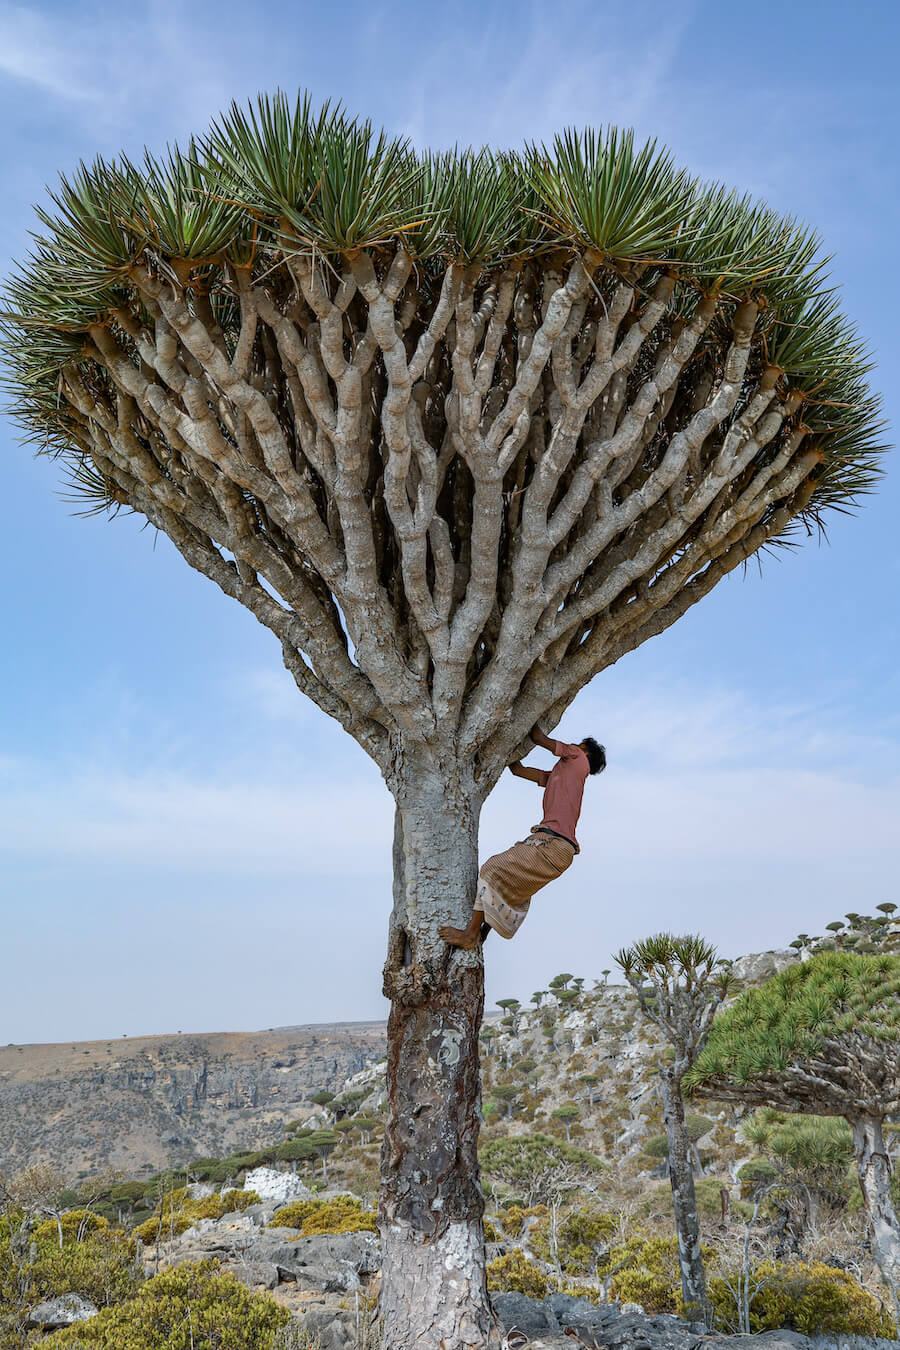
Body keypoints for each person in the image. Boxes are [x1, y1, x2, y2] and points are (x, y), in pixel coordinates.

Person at [440, 724, 606, 949]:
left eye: (578, 745)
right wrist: (504, 751)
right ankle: (482, 931)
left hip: (551, 845)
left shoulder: (577, 756)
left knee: (492, 869)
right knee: (513, 888)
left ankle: (470, 935)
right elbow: (518, 770)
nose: (573, 746)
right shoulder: (562, 777)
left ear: (584, 750)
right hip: (560, 854)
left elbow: (538, 736)